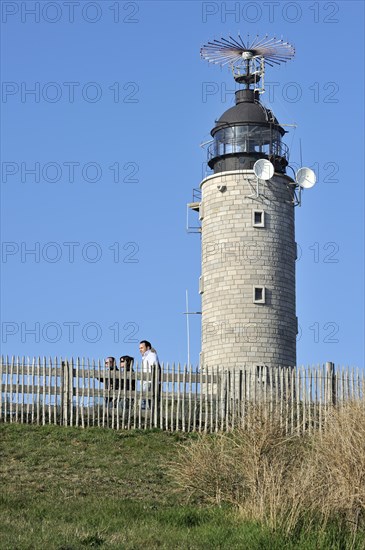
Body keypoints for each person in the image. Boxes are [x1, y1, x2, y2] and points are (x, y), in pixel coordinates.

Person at [139, 341, 160, 410]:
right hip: (148, 382)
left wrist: (150, 380)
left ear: (147, 347)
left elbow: (153, 368)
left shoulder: (151, 355)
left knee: (145, 402)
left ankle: (144, 417)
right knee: (149, 402)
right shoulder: (146, 356)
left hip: (150, 382)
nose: (140, 349)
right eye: (139, 348)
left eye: (142, 348)